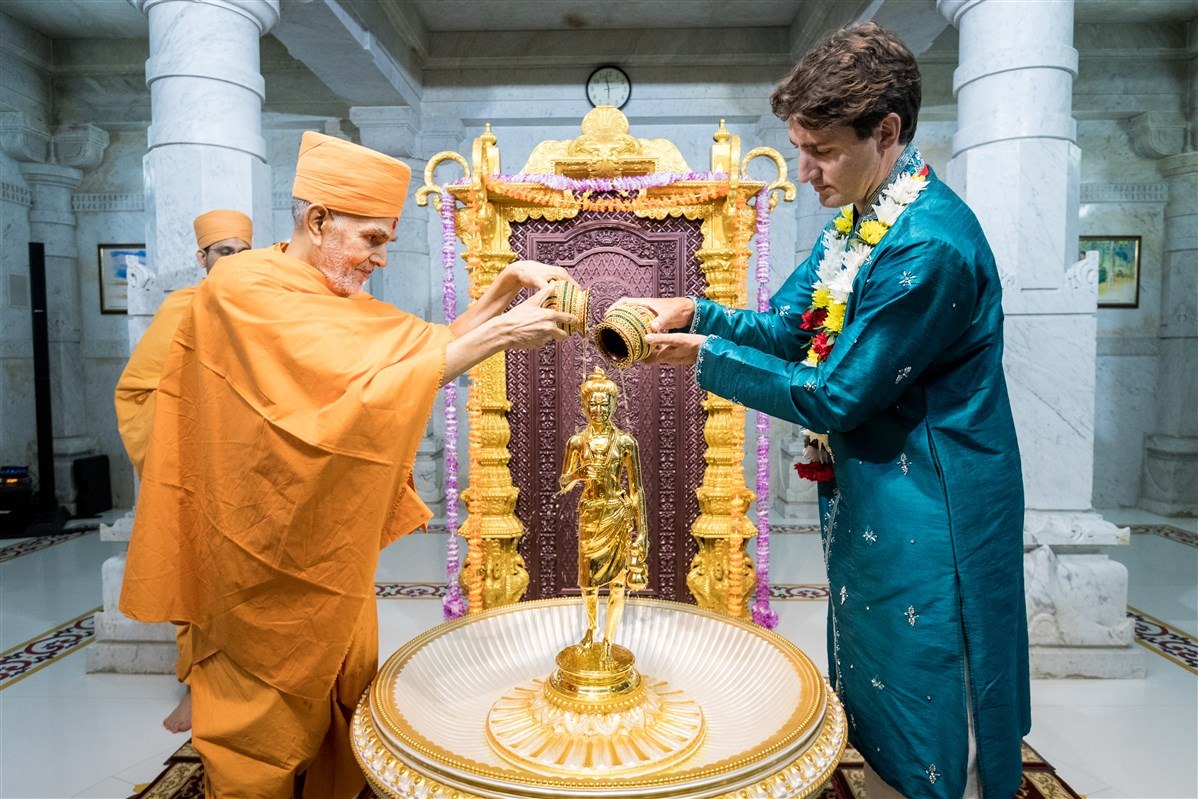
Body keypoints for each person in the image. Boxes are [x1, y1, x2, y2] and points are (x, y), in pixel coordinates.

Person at [625, 22, 1029, 799]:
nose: (804, 171)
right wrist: (697, 311)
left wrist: (700, 362)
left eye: (823, 151)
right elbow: (790, 328)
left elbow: (837, 392)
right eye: (801, 147)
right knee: (873, 654)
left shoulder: (926, 247)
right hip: (876, 490)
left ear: (888, 132)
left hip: (936, 501)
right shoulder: (856, 222)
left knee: (933, 665)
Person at [120, 130, 576, 797]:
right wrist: (505, 333)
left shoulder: (330, 295)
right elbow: (350, 401)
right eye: (372, 240)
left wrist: (505, 286)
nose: (380, 259)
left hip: (324, 537)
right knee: (262, 723)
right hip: (260, 545)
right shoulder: (246, 286)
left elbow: (417, 352)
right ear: (317, 220)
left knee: (341, 679)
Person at [114, 209, 253, 734]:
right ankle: (197, 688)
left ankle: (246, 689)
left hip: (250, 464)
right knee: (194, 575)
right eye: (223, 252)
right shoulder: (182, 307)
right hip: (194, 467)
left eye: (243, 252)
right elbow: (138, 391)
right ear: (202, 258)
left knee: (246, 581)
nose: (234, 262)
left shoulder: (266, 309)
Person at [559, 367, 649, 661]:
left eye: (604, 403)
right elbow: (563, 482)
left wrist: (642, 532)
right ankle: (591, 628)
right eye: (592, 403)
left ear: (613, 405)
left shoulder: (625, 442)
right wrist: (580, 473)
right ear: (585, 406)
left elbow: (637, 489)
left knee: (618, 583)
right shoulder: (577, 442)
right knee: (587, 582)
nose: (598, 409)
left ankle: (609, 640)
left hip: (617, 514)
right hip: (590, 514)